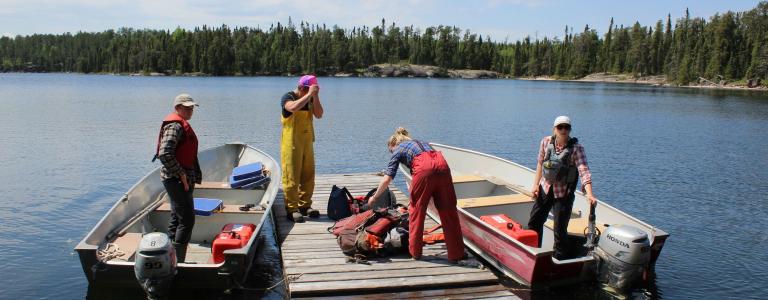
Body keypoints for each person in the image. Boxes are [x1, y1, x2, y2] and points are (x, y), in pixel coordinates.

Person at [367, 127, 465, 262]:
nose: (392, 153)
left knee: (417, 212)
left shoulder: (398, 149)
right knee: (449, 212)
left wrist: (375, 197)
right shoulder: (421, 142)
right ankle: (457, 253)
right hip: (442, 165)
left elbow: (388, 178)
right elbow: (433, 165)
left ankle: (415, 252)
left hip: (424, 168)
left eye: (390, 151)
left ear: (393, 144)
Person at [527, 116, 596, 260]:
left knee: (559, 230)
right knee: (534, 222)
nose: (563, 130)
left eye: (567, 127)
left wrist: (589, 194)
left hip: (564, 193)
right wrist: (535, 185)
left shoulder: (577, 149)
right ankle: (534, 253)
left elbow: (584, 171)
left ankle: (558, 259)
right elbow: (540, 163)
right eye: (560, 127)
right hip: (545, 189)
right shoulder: (546, 141)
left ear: (570, 130)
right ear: (554, 129)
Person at [153, 93, 202, 262]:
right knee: (187, 220)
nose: (190, 110)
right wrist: (181, 174)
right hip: (175, 179)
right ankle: (178, 261)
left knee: (177, 216)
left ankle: (170, 255)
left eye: (191, 107)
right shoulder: (175, 126)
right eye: (186, 107)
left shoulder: (180, 124)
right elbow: (165, 153)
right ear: (177, 108)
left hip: (179, 179)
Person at [281, 75, 324, 223]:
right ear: (301, 88)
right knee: (291, 176)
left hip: (307, 142)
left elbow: (319, 114)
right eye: (310, 90)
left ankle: (305, 205)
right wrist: (309, 96)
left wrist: (315, 97)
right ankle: (292, 208)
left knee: (308, 175)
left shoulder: (311, 99)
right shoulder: (288, 97)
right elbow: (292, 108)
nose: (311, 93)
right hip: (291, 143)